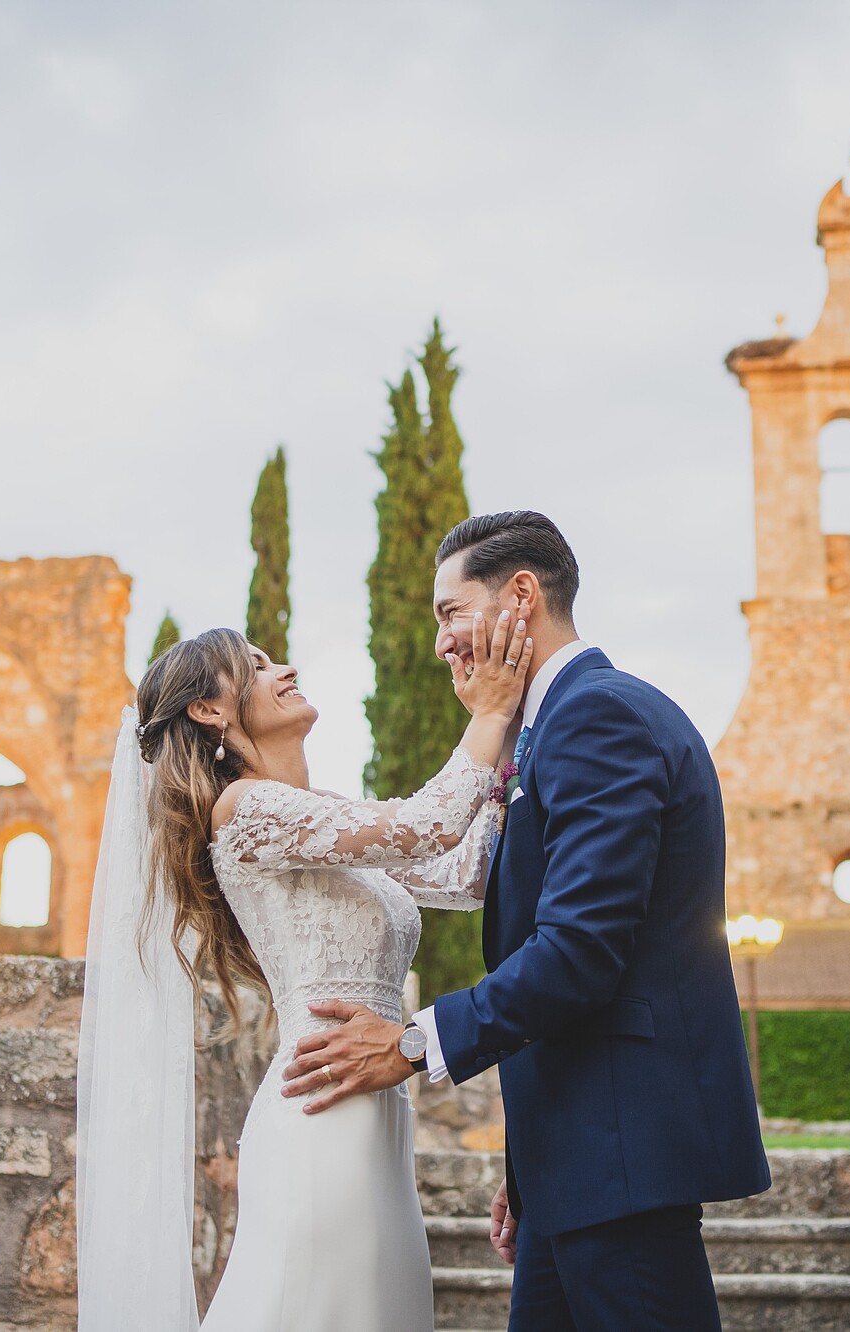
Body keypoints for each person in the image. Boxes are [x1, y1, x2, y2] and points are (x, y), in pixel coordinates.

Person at [284, 511, 768, 1331]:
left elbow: (578, 953)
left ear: (520, 595)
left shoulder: (598, 716)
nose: (441, 643)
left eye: (450, 613)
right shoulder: (549, 730)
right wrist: (530, 1160)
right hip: (576, 1157)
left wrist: (409, 1044)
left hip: (623, 1152)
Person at [75, 613, 531, 1331]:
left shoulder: (325, 817)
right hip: (319, 1118)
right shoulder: (245, 810)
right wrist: (493, 709)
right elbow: (432, 823)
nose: (282, 669)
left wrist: (516, 752)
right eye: (255, 666)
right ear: (208, 709)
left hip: (378, 1118)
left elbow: (465, 872)